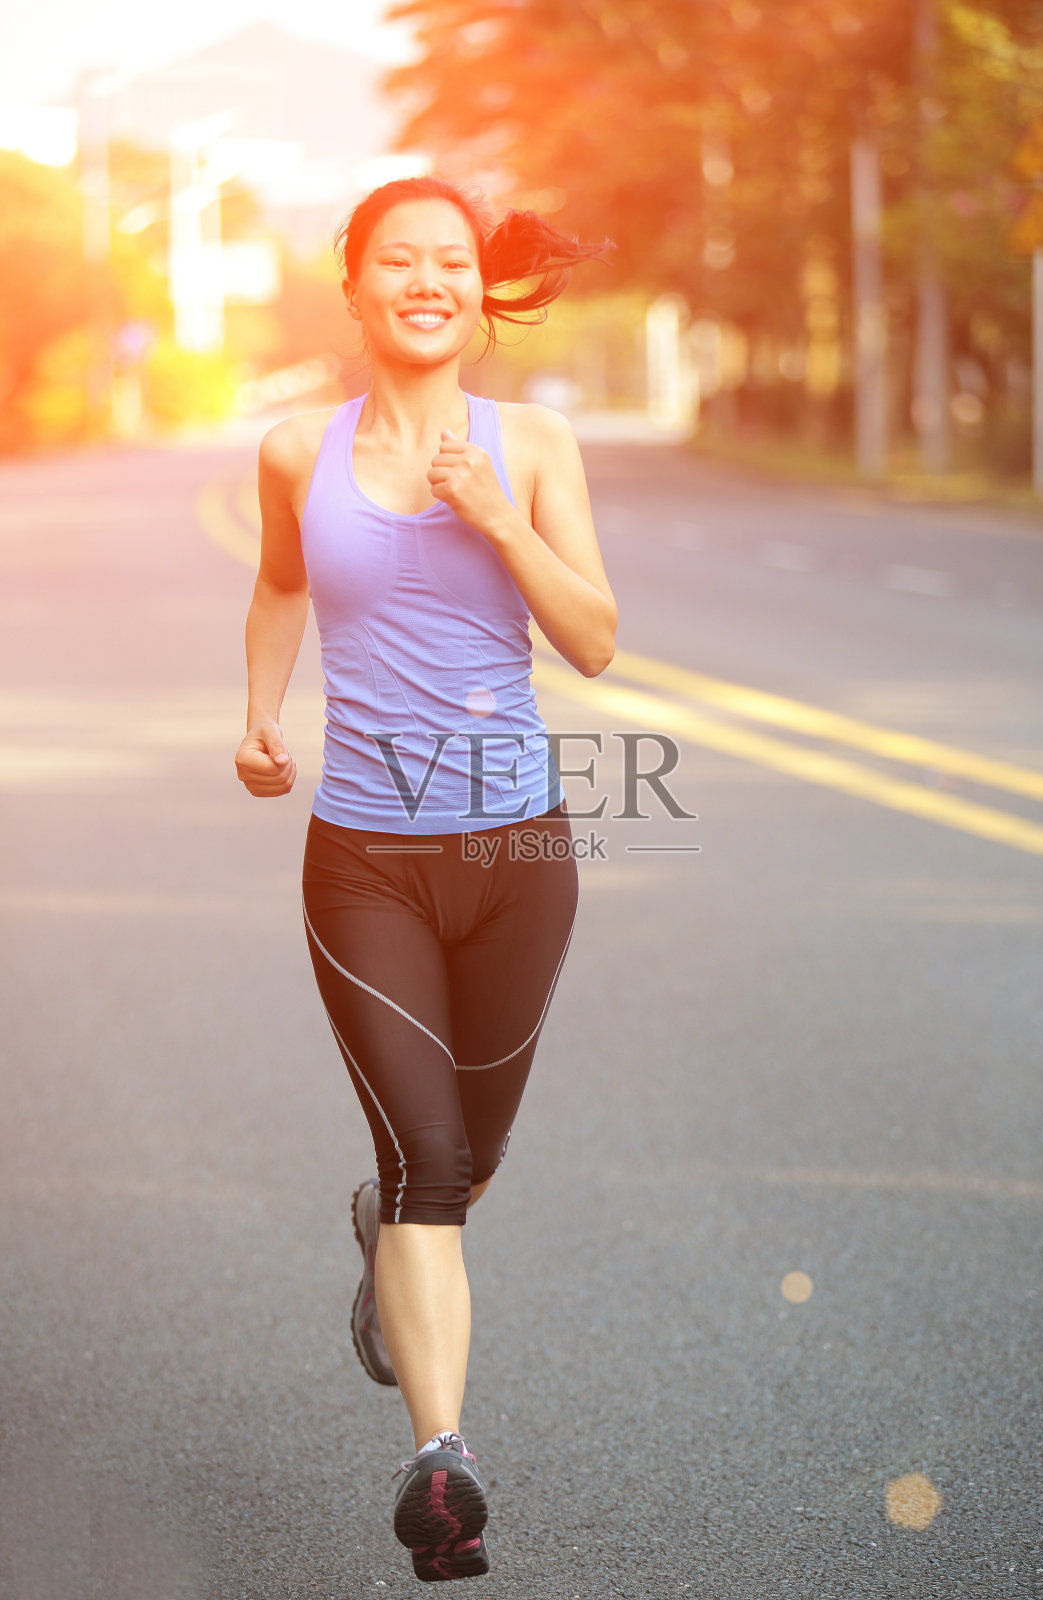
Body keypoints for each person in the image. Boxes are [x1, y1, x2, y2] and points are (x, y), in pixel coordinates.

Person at [234, 174, 617, 1583]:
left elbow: (597, 639)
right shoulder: (293, 452)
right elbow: (280, 586)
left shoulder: (536, 442)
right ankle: (441, 1466)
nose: (426, 278)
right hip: (366, 867)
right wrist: (263, 716)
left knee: (465, 1162)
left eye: (450, 259)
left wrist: (498, 517)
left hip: (518, 857)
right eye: (397, 258)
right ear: (355, 286)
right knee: (434, 1166)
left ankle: (385, 1231)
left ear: (478, 288)